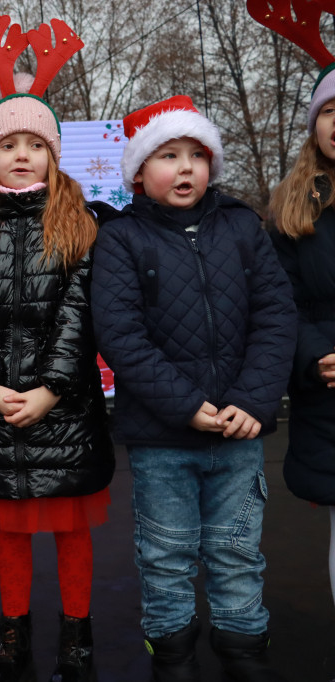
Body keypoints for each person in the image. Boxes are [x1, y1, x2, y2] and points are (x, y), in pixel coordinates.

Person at [90, 96, 295, 682]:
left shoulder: (241, 226)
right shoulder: (122, 239)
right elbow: (121, 335)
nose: (185, 169)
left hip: (238, 431)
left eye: (196, 156)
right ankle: (172, 653)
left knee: (236, 554)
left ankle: (244, 647)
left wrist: (253, 401)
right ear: (137, 172)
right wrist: (186, 407)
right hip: (162, 439)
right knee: (166, 555)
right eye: (168, 155)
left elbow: (276, 317)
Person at [0, 66, 114, 680]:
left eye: (35, 144)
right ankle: (13, 632)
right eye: (8, 145)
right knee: (11, 531)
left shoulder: (79, 225)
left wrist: (50, 390)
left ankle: (76, 634)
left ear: (53, 155)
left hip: (64, 410)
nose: (21, 154)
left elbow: (79, 315)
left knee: (71, 530)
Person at [261, 9, 335, 648]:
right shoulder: (292, 207)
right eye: (332, 110)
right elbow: (279, 301)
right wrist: (317, 356)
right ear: (316, 124)